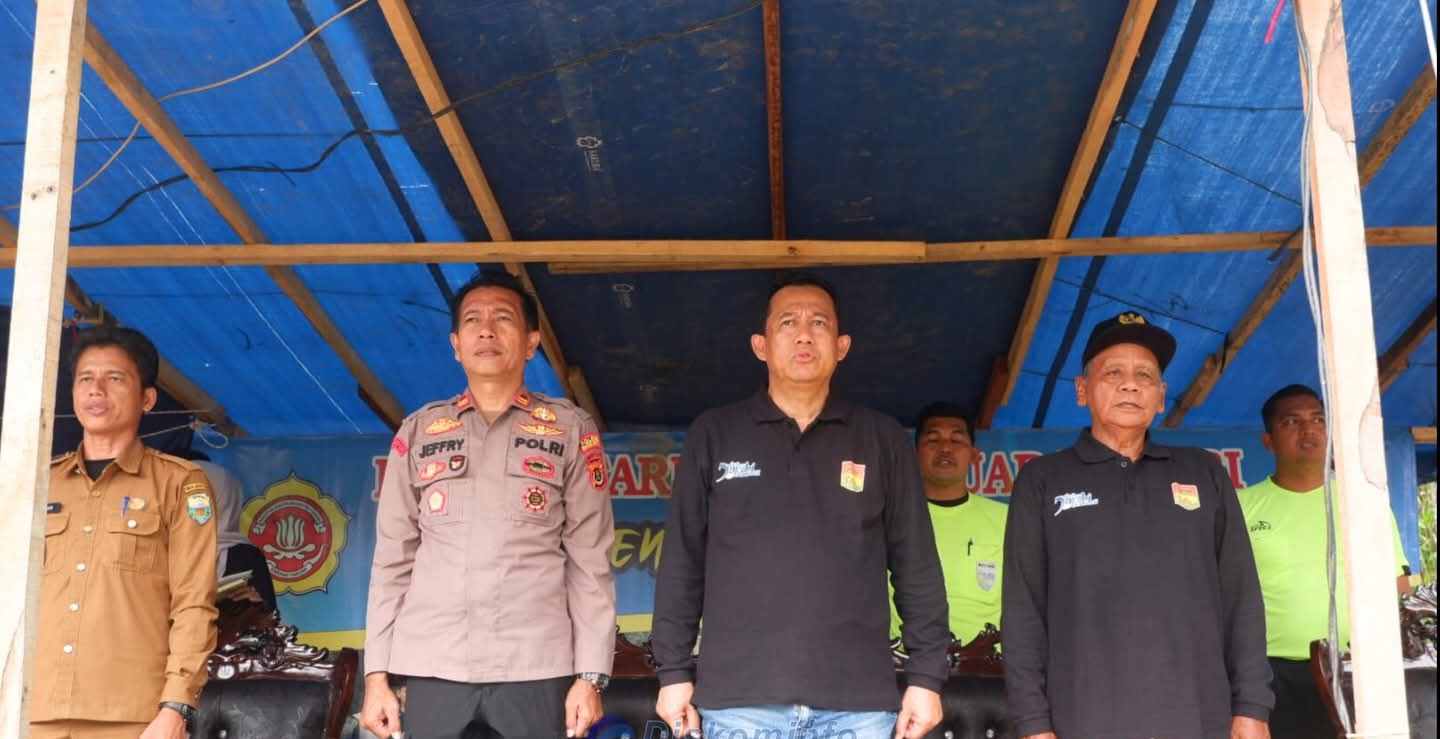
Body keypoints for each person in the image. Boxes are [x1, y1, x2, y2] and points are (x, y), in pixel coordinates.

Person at [652, 275, 950, 739]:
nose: (805, 335)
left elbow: (917, 566)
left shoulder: (882, 437)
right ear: (761, 345)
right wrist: (673, 672)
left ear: (842, 346)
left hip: (858, 707)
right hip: (740, 705)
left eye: (820, 323)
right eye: (788, 322)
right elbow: (682, 561)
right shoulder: (714, 434)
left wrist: (926, 678)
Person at [361, 271, 617, 739]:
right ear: (456, 345)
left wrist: (589, 676)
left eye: (503, 318)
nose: (486, 331)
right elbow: (392, 560)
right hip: (433, 663)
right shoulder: (418, 432)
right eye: (473, 320)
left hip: (535, 664)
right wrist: (376, 676)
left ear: (532, 342)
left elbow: (590, 560)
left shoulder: (570, 429)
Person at [1002, 311, 1273, 739]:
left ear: (1161, 396)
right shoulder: (1043, 481)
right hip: (1082, 719)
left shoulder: (1204, 473)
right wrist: (1032, 723)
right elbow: (1023, 612)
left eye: (1145, 375)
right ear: (1081, 390)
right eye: (1113, 372)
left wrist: (1252, 706)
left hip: (1198, 717)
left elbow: (1241, 598)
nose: (1130, 384)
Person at [33, 326, 218, 739]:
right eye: (85, 378)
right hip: (35, 711)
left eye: (114, 378)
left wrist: (176, 706)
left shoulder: (180, 483)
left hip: (133, 716)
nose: (96, 390)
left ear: (147, 399)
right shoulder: (42, 484)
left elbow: (193, 604)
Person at [1238, 384, 1412, 739]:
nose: (1308, 429)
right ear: (1269, 441)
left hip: (1354, 669)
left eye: (1318, 419)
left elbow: (1397, 586)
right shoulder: (1240, 506)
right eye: (1291, 422)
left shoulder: (1365, 502)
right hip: (1269, 675)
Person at [890, 402, 1008, 646]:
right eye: (933, 440)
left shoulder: (1007, 519)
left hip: (986, 663)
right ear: (914, 453)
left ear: (974, 455)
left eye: (956, 440)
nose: (945, 448)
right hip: (904, 661)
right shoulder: (887, 517)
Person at [198, 459, 279, 612]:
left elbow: (270, 617)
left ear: (223, 499)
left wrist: (258, 604)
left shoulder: (244, 555)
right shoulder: (159, 550)